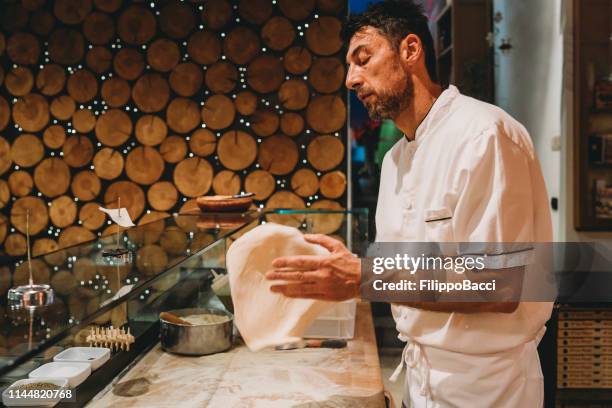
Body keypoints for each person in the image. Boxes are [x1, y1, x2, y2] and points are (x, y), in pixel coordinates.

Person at [265, 1, 553, 407]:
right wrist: (357, 269)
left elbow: (500, 284)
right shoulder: (396, 159)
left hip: (488, 385)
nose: (351, 79)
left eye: (363, 59)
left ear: (411, 50)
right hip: (419, 376)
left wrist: (365, 277)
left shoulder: (484, 135)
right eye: (349, 67)